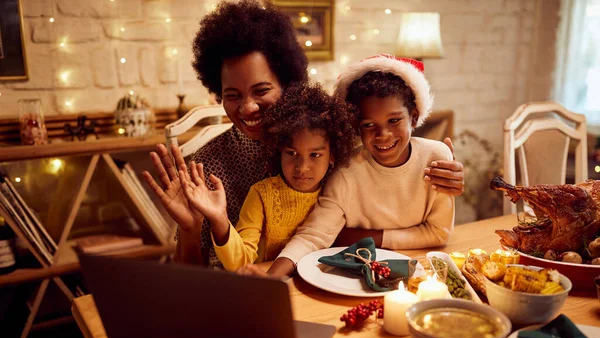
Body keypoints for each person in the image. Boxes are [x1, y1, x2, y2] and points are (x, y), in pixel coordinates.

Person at [142, 0, 464, 270]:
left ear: (288, 83)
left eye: (261, 90)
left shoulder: (332, 140)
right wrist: (189, 228)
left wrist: (441, 169)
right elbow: (193, 280)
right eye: (232, 95)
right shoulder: (208, 165)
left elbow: (393, 171)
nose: (248, 107)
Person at [248, 55, 455, 278]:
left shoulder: (437, 158)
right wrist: (271, 278)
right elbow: (313, 236)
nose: (383, 134)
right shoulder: (347, 172)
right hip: (355, 276)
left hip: (422, 268)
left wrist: (365, 238)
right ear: (356, 126)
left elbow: (438, 233)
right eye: (368, 125)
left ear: (413, 117)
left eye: (394, 120)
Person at [177, 83, 356, 271]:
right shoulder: (262, 194)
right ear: (278, 150)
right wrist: (220, 220)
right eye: (291, 153)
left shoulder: (336, 190)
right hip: (269, 284)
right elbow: (240, 263)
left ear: (333, 155)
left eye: (315, 155)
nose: (302, 167)